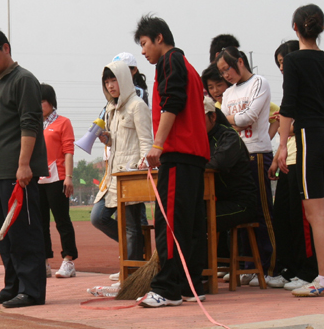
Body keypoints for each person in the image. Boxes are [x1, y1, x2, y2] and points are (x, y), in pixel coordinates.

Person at [138, 15, 210, 308]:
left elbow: (173, 103)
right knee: (190, 224)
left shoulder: (169, 62)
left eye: (144, 44)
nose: (143, 51)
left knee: (169, 223)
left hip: (179, 152)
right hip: (194, 155)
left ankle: (167, 288)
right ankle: (190, 285)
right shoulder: (189, 67)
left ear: (158, 38)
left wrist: (157, 144)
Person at [274, 4, 324, 298]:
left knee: (315, 214)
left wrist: (281, 145)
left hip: (308, 138)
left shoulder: (292, 61)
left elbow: (288, 106)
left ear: (295, 28)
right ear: (320, 28)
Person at [0, 28, 48, 308]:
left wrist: (23, 164)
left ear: (5, 48)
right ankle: (13, 285)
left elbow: (30, 123)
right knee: (4, 233)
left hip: (18, 172)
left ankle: (31, 291)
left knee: (23, 232)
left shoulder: (24, 80)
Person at [216, 46, 279, 282]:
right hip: (236, 159)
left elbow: (247, 118)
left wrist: (228, 119)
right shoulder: (229, 93)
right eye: (221, 72)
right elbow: (224, 124)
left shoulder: (259, 83)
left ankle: (269, 267)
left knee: (263, 212)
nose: (225, 75)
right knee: (241, 214)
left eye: (227, 69)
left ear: (240, 62)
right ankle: (247, 265)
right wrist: (232, 120)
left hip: (257, 154)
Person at [90, 58, 152, 279]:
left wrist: (142, 168)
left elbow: (146, 141)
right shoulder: (111, 108)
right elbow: (117, 141)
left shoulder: (138, 106)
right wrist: (106, 138)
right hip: (113, 174)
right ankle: (133, 257)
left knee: (132, 225)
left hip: (131, 175)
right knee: (98, 217)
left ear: (124, 79)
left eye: (113, 80)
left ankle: (132, 270)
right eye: (106, 81)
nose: (110, 85)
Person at [268, 40, 318, 291]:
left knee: (302, 220)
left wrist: (289, 124)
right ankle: (289, 268)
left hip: (303, 158)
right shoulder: (290, 89)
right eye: (278, 64)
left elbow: (314, 119)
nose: (281, 68)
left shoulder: (307, 86)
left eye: (283, 63)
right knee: (285, 218)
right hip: (288, 159)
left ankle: (308, 271)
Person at [203, 96, 258, 253]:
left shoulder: (229, 136)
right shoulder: (199, 138)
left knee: (195, 218)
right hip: (216, 202)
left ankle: (200, 269)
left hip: (240, 204)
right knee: (182, 213)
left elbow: (216, 164)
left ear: (213, 116)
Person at [38, 84, 79, 278]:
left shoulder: (63, 122)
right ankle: (44, 262)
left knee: (62, 221)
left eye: (43, 101)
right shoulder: (34, 124)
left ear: (51, 102)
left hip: (58, 178)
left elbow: (68, 151)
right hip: (38, 179)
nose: (39, 105)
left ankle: (68, 261)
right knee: (40, 223)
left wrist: (68, 177)